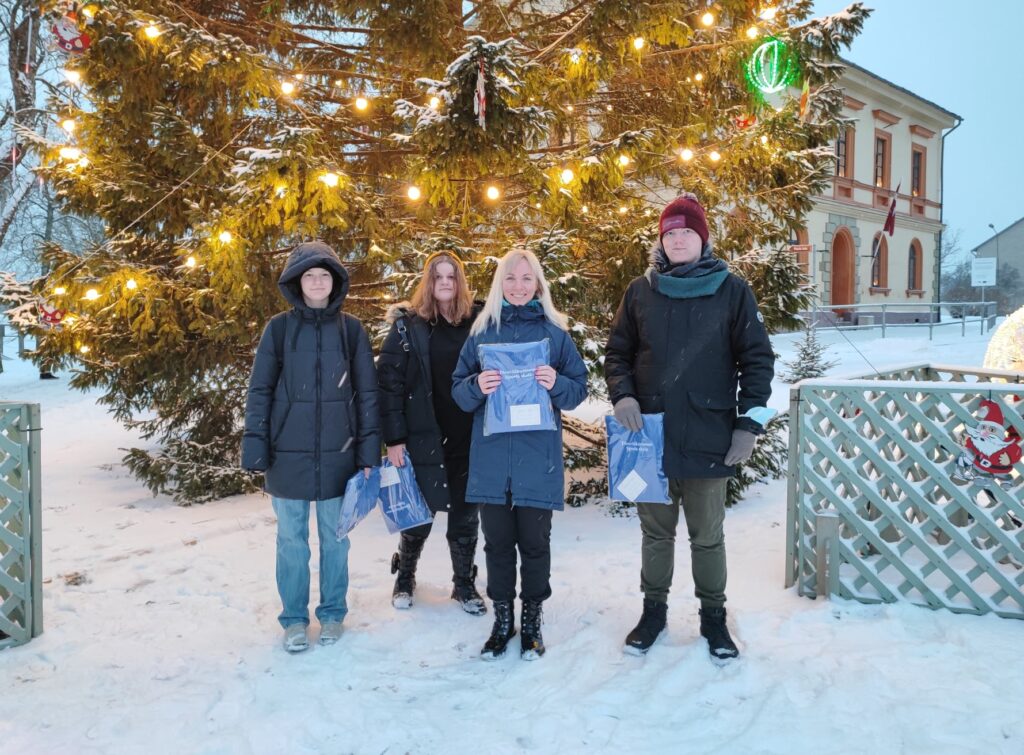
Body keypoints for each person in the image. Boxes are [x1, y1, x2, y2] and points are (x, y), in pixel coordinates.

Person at [604, 193, 774, 661]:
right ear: (661, 240)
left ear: (703, 239)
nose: (678, 240)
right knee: (656, 534)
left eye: (687, 232)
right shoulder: (642, 290)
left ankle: (713, 618)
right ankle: (653, 612)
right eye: (670, 233)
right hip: (650, 438)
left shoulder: (731, 290)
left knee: (708, 536)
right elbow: (617, 353)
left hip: (709, 437)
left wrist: (748, 425)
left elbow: (757, 361)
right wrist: (624, 395)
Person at [241, 241, 380, 653]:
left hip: (341, 455)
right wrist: (257, 445)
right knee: (291, 542)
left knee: (336, 541)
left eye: (324, 275)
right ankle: (294, 620)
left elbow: (367, 394)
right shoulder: (279, 330)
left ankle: (333, 613)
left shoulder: (351, 330)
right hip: (287, 456)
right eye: (309, 275)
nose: (317, 282)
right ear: (296, 282)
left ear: (335, 282)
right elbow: (260, 390)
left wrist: (368, 451)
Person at [452, 248, 588, 661]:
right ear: (499, 285)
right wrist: (478, 384)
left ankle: (531, 621)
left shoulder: (554, 335)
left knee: (534, 544)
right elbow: (459, 392)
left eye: (526, 279)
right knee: (496, 545)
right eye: (510, 279)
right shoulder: (482, 333)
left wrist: (555, 382)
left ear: (538, 286)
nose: (518, 286)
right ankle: (502, 620)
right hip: (492, 461)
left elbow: (578, 389)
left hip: (537, 460)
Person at [377, 251, 487, 615]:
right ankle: (405, 576)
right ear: (428, 281)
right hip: (423, 434)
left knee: (465, 514)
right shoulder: (409, 326)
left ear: (460, 282)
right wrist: (393, 438)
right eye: (437, 276)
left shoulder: (478, 322)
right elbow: (388, 385)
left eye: (451, 276)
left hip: (469, 433)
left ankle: (464, 583)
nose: (444, 282)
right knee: (418, 513)